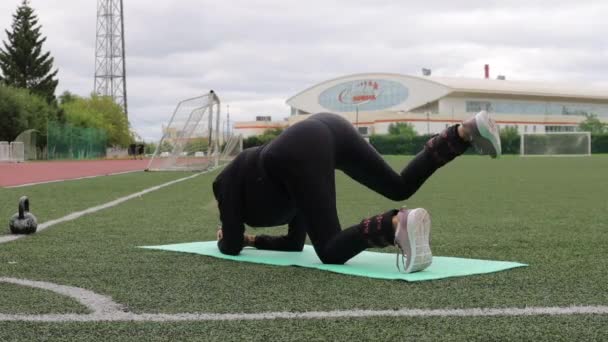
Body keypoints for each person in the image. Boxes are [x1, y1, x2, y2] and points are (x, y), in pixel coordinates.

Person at [213, 111, 501, 273]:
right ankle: (464, 132)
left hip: (298, 148)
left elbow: (231, 245)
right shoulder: (282, 181)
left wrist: (231, 238)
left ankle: (394, 225)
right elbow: (294, 244)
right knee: (399, 186)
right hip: (329, 125)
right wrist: (254, 240)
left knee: (329, 250)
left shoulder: (225, 185)